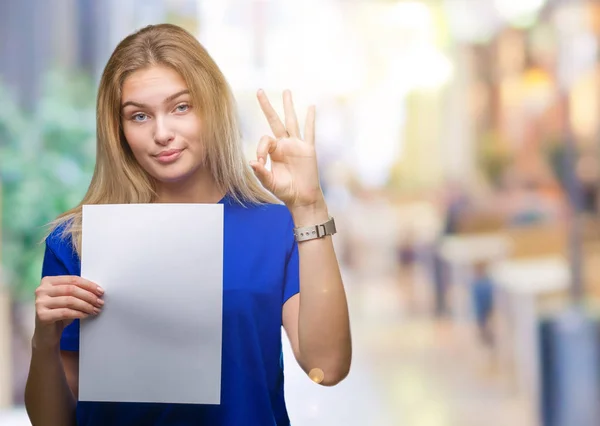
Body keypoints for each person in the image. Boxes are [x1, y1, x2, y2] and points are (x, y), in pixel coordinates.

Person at [24, 23, 351, 426]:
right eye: (139, 116)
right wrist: (44, 340)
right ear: (119, 130)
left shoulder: (273, 227)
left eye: (181, 107)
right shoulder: (76, 240)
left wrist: (310, 207)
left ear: (211, 106)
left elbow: (327, 367)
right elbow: (53, 422)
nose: (162, 133)